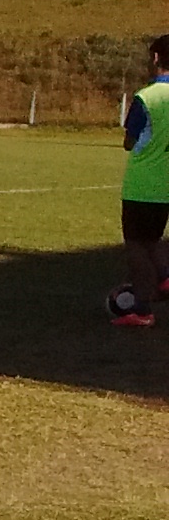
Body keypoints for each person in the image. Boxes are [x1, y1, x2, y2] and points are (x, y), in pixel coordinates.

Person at [109, 35, 169, 327]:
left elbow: (130, 141)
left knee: (136, 245)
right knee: (153, 239)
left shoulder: (147, 97)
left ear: (156, 57)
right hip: (167, 184)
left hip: (143, 183)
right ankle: (166, 279)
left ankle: (142, 310)